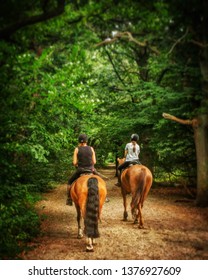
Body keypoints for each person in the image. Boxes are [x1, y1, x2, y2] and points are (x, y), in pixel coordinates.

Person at [66, 133, 97, 205]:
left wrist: (77, 162)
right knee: (101, 180)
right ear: (86, 141)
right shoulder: (91, 148)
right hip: (91, 170)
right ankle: (105, 197)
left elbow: (74, 163)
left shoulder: (77, 149)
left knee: (69, 182)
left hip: (80, 170)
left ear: (79, 141)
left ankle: (69, 198)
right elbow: (94, 162)